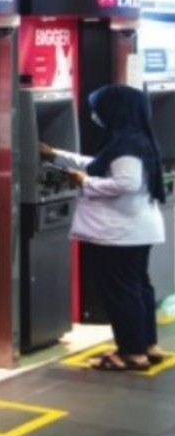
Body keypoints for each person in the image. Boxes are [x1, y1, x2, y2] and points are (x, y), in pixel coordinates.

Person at [40, 84, 167, 370]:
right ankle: (146, 344)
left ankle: (130, 353)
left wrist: (85, 182)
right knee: (138, 289)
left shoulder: (126, 145)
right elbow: (101, 165)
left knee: (121, 294)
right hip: (137, 229)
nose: (95, 114)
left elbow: (126, 183)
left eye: (98, 108)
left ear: (114, 110)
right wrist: (55, 154)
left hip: (121, 233)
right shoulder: (136, 140)